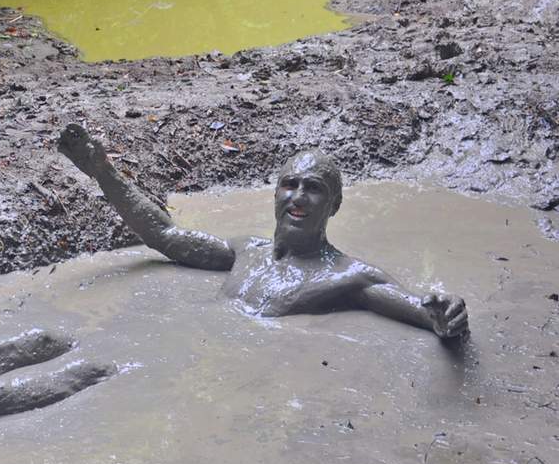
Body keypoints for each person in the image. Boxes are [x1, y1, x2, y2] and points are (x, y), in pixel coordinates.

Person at [56, 124, 469, 338]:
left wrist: (447, 319)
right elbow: (165, 237)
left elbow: (423, 312)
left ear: (334, 205)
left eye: (314, 189)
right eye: (291, 185)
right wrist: (103, 173)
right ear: (275, 193)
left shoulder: (350, 276)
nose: (299, 197)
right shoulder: (244, 251)